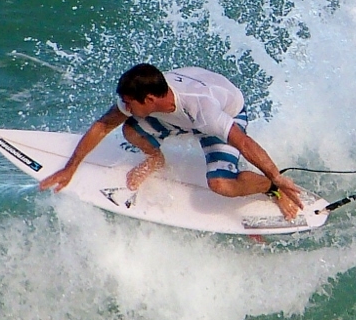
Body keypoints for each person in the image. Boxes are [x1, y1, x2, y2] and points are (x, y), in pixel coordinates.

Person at [39, 63, 303, 220]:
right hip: (179, 117)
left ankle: (270, 188)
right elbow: (102, 125)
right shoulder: (144, 99)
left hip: (224, 113)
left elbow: (244, 143)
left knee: (221, 184)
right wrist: (70, 168)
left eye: (130, 103)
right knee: (130, 130)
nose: (125, 107)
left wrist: (276, 176)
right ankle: (156, 159)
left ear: (150, 100)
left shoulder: (204, 110)